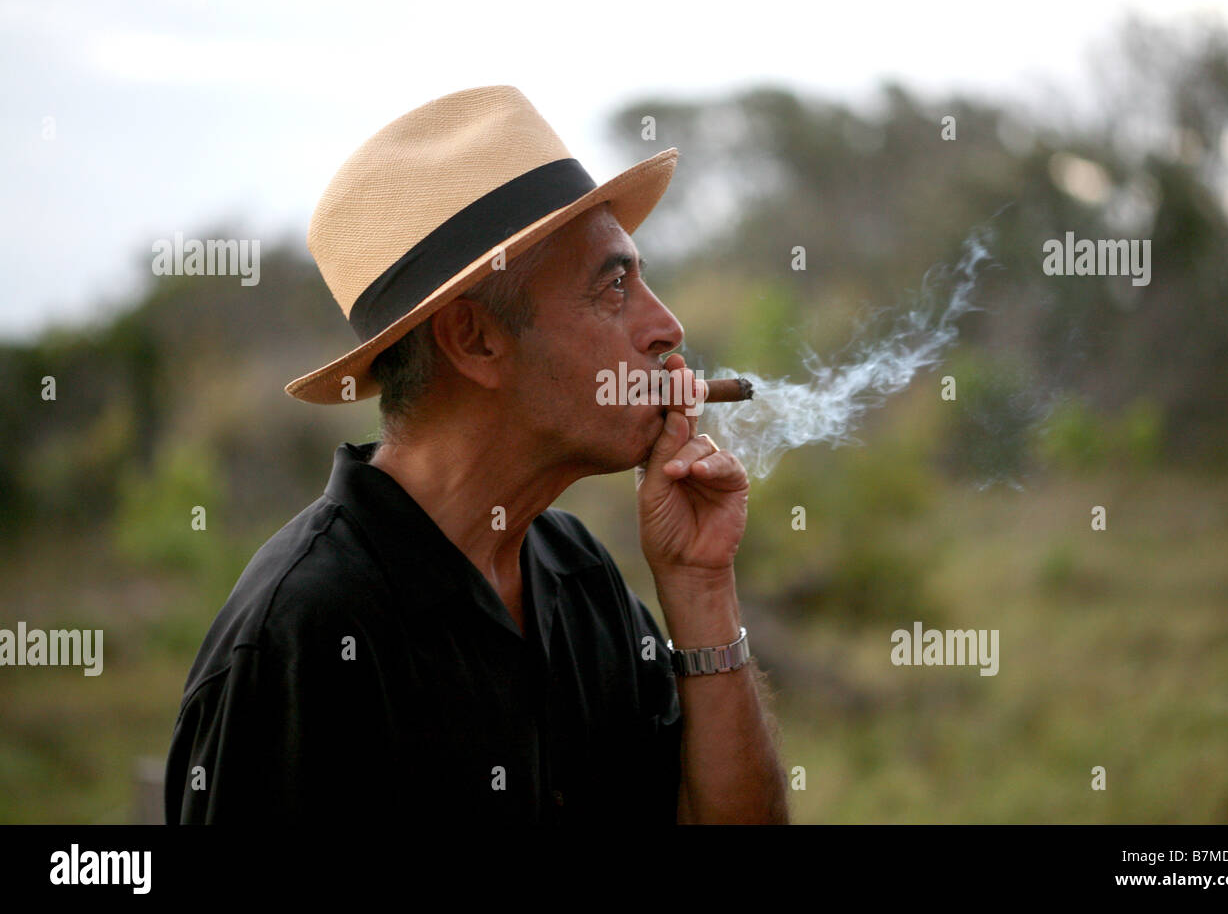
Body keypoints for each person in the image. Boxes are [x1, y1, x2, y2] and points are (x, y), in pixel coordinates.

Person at [163, 86, 788, 824]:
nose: (666, 327)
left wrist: (701, 590)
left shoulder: (577, 574)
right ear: (475, 340)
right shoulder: (303, 637)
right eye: (613, 287)